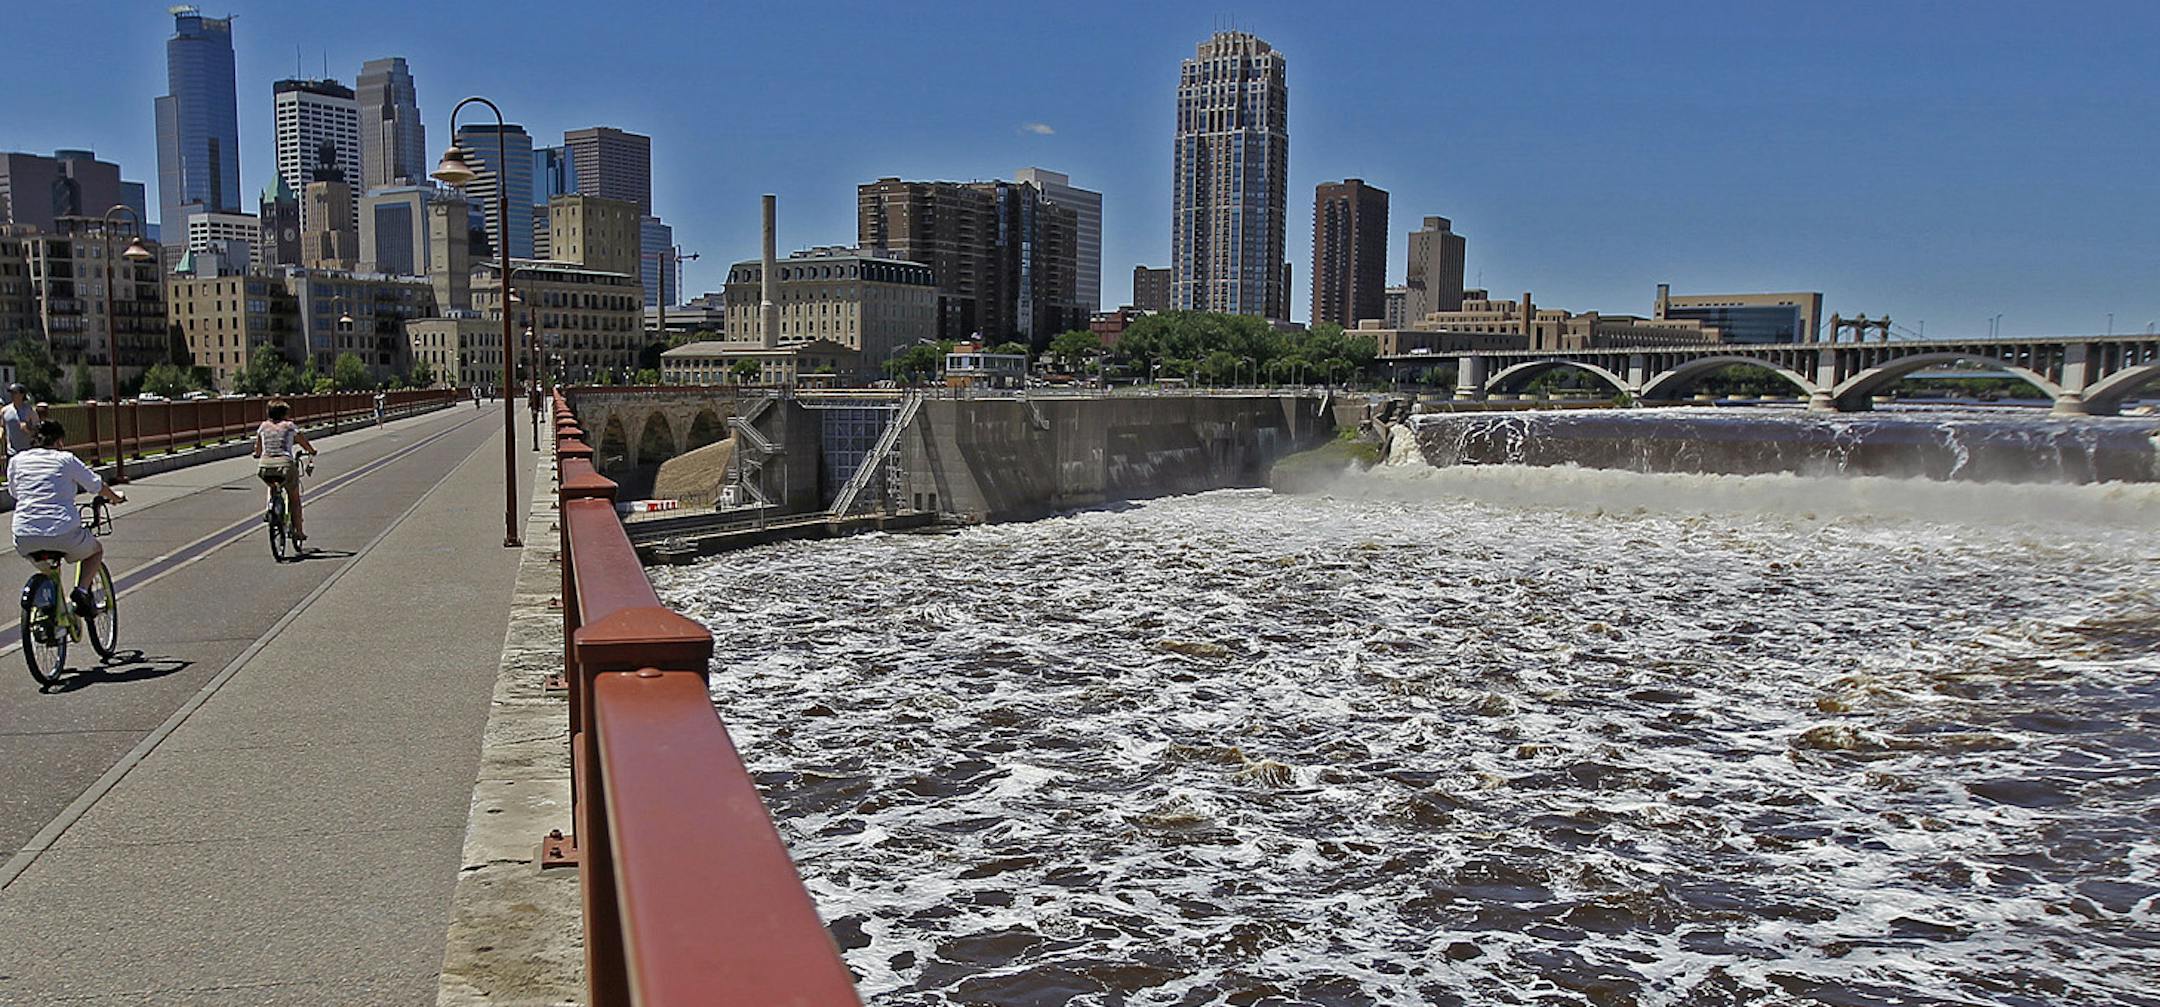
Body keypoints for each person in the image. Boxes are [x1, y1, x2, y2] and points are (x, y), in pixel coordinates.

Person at [9, 420, 125, 616]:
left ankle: (52, 610)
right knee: (95, 551)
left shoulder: (17, 460)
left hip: (24, 535)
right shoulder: (65, 459)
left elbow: (14, 492)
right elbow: (96, 485)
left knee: (49, 568)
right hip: (62, 531)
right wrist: (115, 498)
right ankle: (80, 593)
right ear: (60, 441)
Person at [252, 400, 317, 542]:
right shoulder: (289, 426)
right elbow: (303, 442)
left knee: (272, 486)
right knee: (294, 499)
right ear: (285, 414)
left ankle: (270, 509)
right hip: (285, 464)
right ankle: (299, 532)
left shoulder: (263, 427)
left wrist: (257, 455)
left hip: (265, 465)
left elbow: (257, 450)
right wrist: (311, 451)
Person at [1, 383, 33, 458]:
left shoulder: (29, 410)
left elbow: (37, 430)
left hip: (26, 452)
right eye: (11, 393)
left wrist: (28, 429)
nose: (12, 395)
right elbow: (2, 426)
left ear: (22, 395)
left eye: (14, 393)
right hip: (11, 452)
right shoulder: (5, 410)